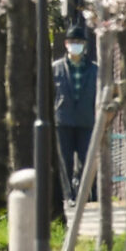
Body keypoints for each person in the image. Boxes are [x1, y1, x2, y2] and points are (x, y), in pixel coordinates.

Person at [51, 19, 98, 214]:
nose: (75, 45)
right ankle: (68, 195)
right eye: (72, 41)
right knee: (65, 160)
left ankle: (84, 194)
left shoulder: (95, 69)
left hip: (87, 120)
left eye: (78, 42)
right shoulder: (56, 68)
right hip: (63, 120)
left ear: (84, 45)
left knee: (87, 159)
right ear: (66, 44)